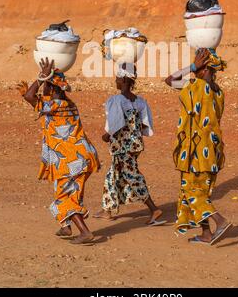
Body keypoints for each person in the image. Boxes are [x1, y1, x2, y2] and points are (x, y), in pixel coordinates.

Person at [17, 58, 100, 245]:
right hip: (82, 157)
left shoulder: (54, 106)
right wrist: (46, 79)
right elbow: (35, 97)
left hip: (69, 159)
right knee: (72, 193)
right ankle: (66, 226)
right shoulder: (68, 103)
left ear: (52, 89)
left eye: (46, 86)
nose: (43, 90)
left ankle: (85, 232)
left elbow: (30, 96)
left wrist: (40, 78)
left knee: (64, 197)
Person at [94, 63, 166, 226]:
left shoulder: (116, 100)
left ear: (125, 80)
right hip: (135, 146)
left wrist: (106, 136)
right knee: (112, 175)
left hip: (122, 147)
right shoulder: (140, 102)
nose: (116, 80)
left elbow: (114, 125)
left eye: (118, 78)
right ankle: (107, 209)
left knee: (132, 176)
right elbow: (146, 126)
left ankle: (154, 209)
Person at [172, 49, 232, 245]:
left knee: (191, 191)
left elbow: (170, 80)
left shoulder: (195, 87)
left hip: (195, 151)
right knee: (201, 193)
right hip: (213, 150)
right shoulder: (219, 92)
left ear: (204, 68)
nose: (194, 72)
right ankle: (206, 234)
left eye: (198, 66)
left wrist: (191, 68)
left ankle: (220, 221)